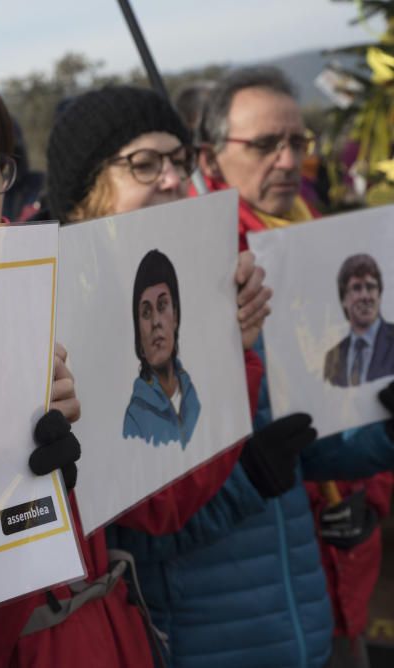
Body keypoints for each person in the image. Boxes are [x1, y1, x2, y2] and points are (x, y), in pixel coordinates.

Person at [0, 63, 275, 668]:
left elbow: (158, 503)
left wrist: (230, 348)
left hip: (108, 640)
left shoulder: (53, 290)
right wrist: (2, 471)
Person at [60, 73, 394, 667]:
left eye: (176, 159)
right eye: (143, 163)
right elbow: (144, 527)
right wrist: (250, 479)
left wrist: (382, 433)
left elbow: (298, 441)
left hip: (294, 623)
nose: (171, 178)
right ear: (90, 191)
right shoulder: (76, 329)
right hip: (201, 637)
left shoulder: (220, 279)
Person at [196, 66, 317, 250]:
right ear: (211, 160)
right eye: (263, 145)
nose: (289, 162)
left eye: (297, 143)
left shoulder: (312, 218)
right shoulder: (204, 252)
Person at [123, 249, 201, 448]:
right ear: (138, 334)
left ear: (175, 316)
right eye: (146, 312)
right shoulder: (135, 419)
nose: (156, 322)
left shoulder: (193, 396)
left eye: (163, 305)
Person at [325, 253, 394, 387]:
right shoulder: (332, 359)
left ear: (379, 294)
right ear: (343, 299)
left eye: (370, 287)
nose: (365, 296)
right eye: (357, 288)